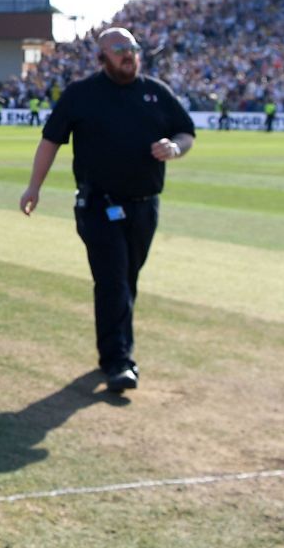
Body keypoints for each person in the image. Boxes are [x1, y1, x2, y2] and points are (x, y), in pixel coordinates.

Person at [17, 27, 194, 394]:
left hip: (145, 206)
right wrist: (34, 186)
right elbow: (51, 141)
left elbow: (185, 132)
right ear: (101, 57)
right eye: (118, 48)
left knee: (127, 281)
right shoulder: (81, 95)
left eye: (131, 47)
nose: (128, 53)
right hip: (98, 205)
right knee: (113, 280)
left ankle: (114, 352)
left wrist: (174, 148)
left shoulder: (155, 92)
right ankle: (117, 361)